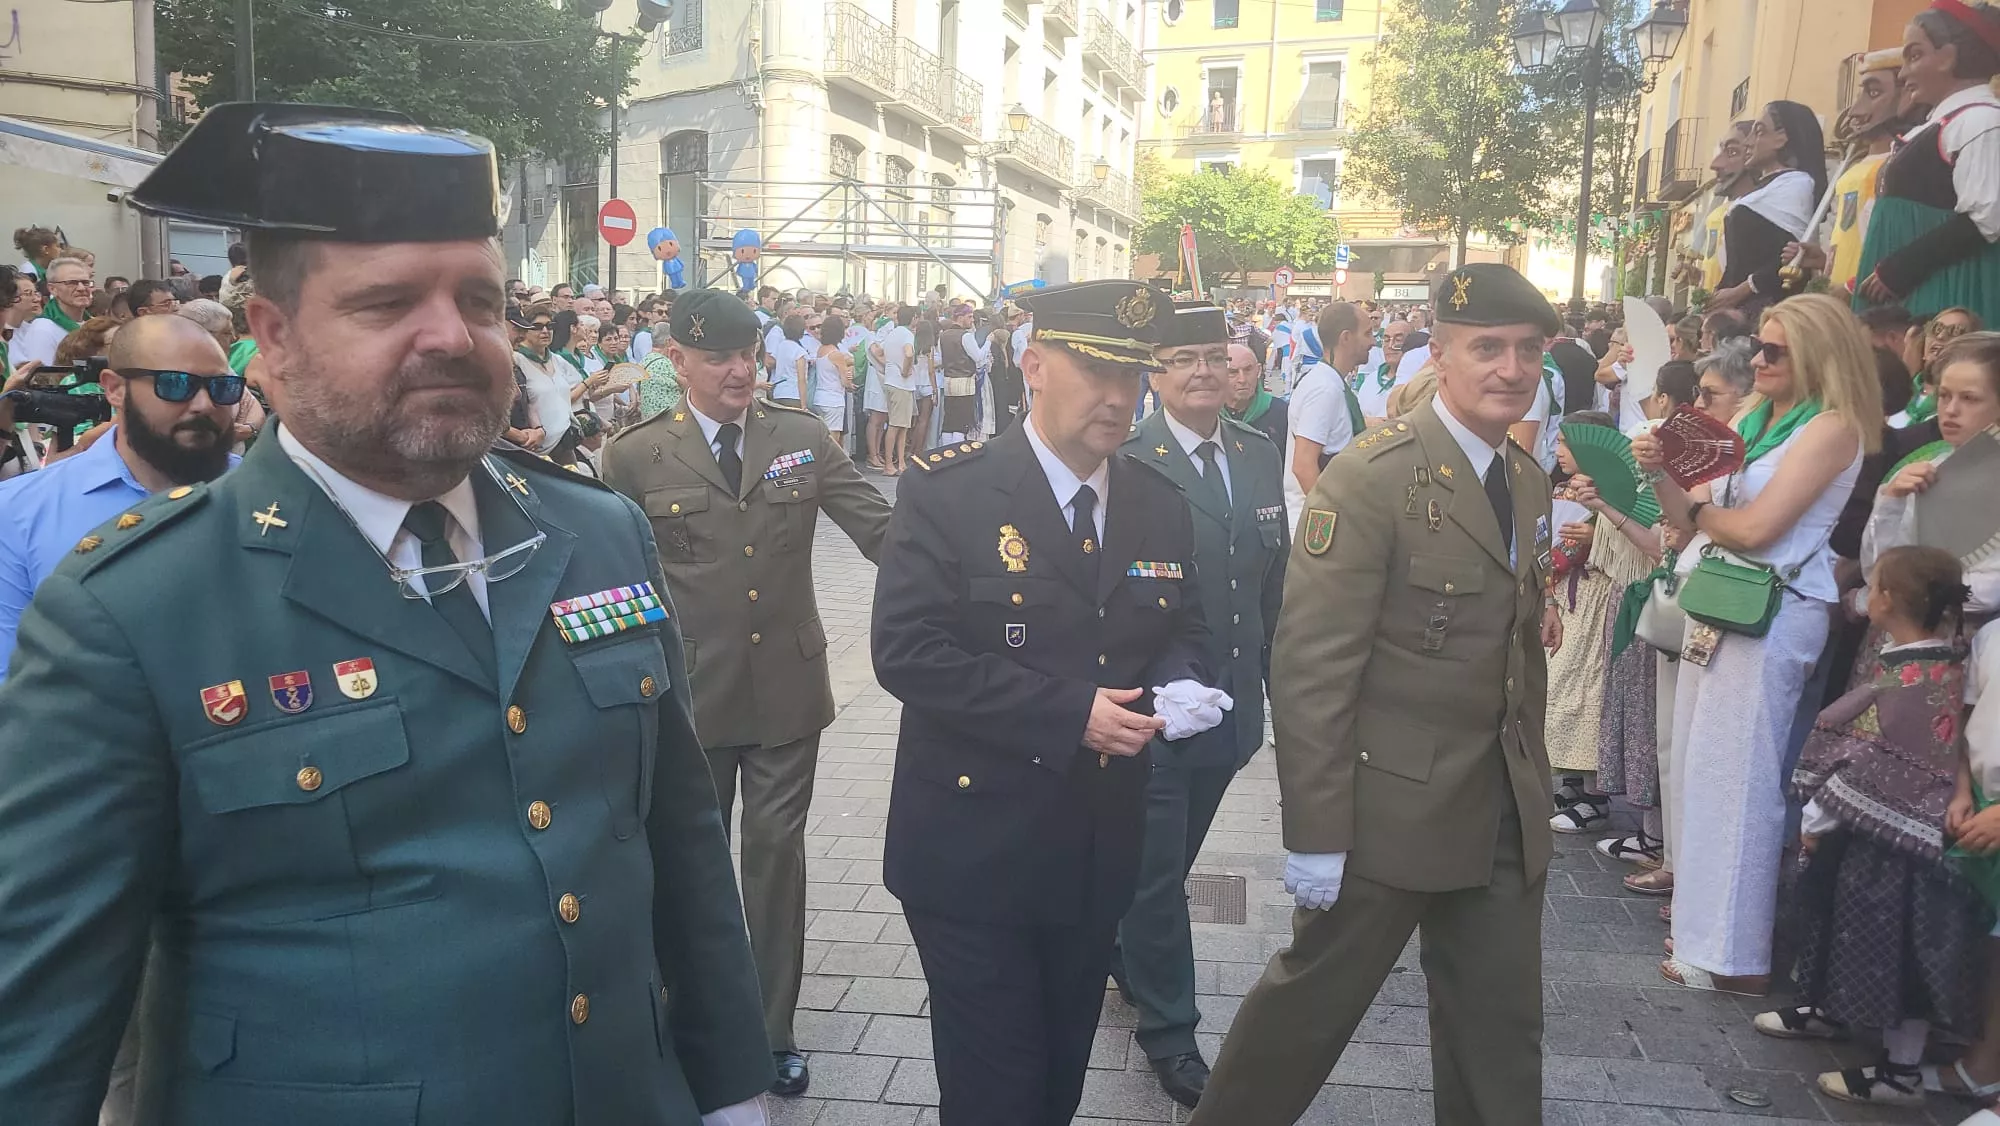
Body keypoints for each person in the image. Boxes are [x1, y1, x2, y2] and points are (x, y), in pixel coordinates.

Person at [0, 102, 772, 1124]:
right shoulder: (136, 609)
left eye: (481, 300)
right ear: (270, 341)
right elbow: (40, 1024)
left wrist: (731, 1094)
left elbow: (680, 844)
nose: (452, 336)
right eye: (386, 303)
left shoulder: (597, 534)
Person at [1190, 264, 1565, 1126]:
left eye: (1527, 351)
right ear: (1440, 353)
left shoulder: (1526, 480)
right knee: (1306, 1014)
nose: (1510, 369)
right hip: (1385, 811)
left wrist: (1534, 789)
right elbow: (1313, 667)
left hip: (1500, 808)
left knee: (1502, 1034)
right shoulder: (1374, 477)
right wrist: (1317, 834)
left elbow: (1516, 657)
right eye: (1487, 349)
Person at [872, 279, 1214, 1126]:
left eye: (1133, 376)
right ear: (1032, 365)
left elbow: (1186, 625)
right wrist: (1069, 714)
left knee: (1059, 1078)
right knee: (998, 1089)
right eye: (1096, 370)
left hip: (1096, 848)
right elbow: (908, 652)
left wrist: (1185, 683)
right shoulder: (949, 491)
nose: (1117, 396)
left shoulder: (1157, 503)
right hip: (971, 847)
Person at [601, 288, 893, 1101]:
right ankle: (689, 1019)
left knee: (774, 858)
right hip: (688, 694)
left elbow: (882, 532)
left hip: (789, 692)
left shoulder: (799, 437)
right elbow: (603, 572)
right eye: (719, 358)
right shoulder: (633, 457)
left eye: (747, 355)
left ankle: (768, 1035)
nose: (738, 371)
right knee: (690, 862)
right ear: (678, 363)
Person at [1636, 294, 1882, 996]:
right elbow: (1686, 511)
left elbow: (1757, 529)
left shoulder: (1834, 427)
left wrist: (1704, 512)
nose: (1759, 359)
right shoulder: (1755, 418)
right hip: (1726, 598)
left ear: (1818, 355)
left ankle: (1738, 955)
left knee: (1741, 778)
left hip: (1775, 608)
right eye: (1760, 346)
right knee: (1700, 768)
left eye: (1774, 350)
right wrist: (1659, 468)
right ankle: (1702, 936)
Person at [1111, 302, 1286, 1108]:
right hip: (1152, 708)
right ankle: (1170, 1032)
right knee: (1155, 874)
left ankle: (1123, 948)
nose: (1204, 372)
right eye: (1183, 358)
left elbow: (1274, 584)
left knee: (1169, 863)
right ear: (1154, 374)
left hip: (1232, 708)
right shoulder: (1128, 457)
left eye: (1216, 356)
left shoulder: (1255, 454)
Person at [1758, 545, 1987, 1108]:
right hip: (1904, 833)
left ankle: (1900, 1071)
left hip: (1888, 845)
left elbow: (1861, 755)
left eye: (1872, 585)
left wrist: (1816, 815)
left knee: (1895, 949)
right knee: (1845, 926)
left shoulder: (1906, 679)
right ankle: (1830, 1009)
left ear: (1885, 600)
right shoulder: (1944, 664)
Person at [0, 314, 242, 683]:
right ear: (114, 389)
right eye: (176, 384)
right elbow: (12, 684)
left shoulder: (272, 494)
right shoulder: (20, 511)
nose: (204, 405)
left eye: (223, 387)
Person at [1855, 1, 2000, 326]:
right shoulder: (1940, 125)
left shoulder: (1981, 122)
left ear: (1949, 57)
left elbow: (1985, 217)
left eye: (1914, 55)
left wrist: (1899, 269)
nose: (1904, 73)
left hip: (1941, 292)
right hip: (1906, 291)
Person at [1710, 102, 1828, 319]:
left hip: (1768, 308)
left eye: (1759, 132)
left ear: (1782, 139)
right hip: (1737, 308)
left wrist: (1742, 290)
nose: (1748, 143)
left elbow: (1793, 259)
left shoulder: (1796, 184)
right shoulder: (1765, 187)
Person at [1282, 303, 1368, 526]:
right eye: (1367, 334)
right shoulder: (1324, 389)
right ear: (1346, 338)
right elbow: (1303, 466)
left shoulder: (1329, 381)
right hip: (1315, 528)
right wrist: (1337, 521)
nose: (1373, 342)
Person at [11, 255, 95, 367]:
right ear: (52, 289)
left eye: (85, 282)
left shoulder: (94, 324)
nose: (81, 288)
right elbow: (43, 379)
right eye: (71, 283)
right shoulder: (43, 328)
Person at [876, 306, 918, 474]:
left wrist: (889, 364)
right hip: (901, 383)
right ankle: (889, 464)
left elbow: (878, 350)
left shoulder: (893, 332)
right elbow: (908, 353)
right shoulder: (907, 335)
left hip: (892, 381)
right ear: (914, 318)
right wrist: (905, 369)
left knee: (902, 425)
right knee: (896, 425)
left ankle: (900, 463)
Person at [1224, 340, 1287, 450]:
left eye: (1248, 370)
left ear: (1258, 370)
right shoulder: (1209, 416)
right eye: (1233, 372)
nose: (1242, 379)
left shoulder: (1281, 412)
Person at [809, 314, 855, 444]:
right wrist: (850, 383)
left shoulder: (820, 350)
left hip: (820, 397)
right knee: (833, 440)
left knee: (821, 437)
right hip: (834, 400)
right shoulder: (837, 354)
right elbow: (845, 382)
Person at [938, 303, 980, 443]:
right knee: (961, 421)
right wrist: (988, 343)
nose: (972, 320)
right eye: (970, 316)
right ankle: (957, 453)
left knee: (949, 421)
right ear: (960, 317)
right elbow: (978, 357)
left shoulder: (943, 335)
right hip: (965, 382)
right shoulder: (966, 336)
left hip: (948, 380)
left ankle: (945, 451)